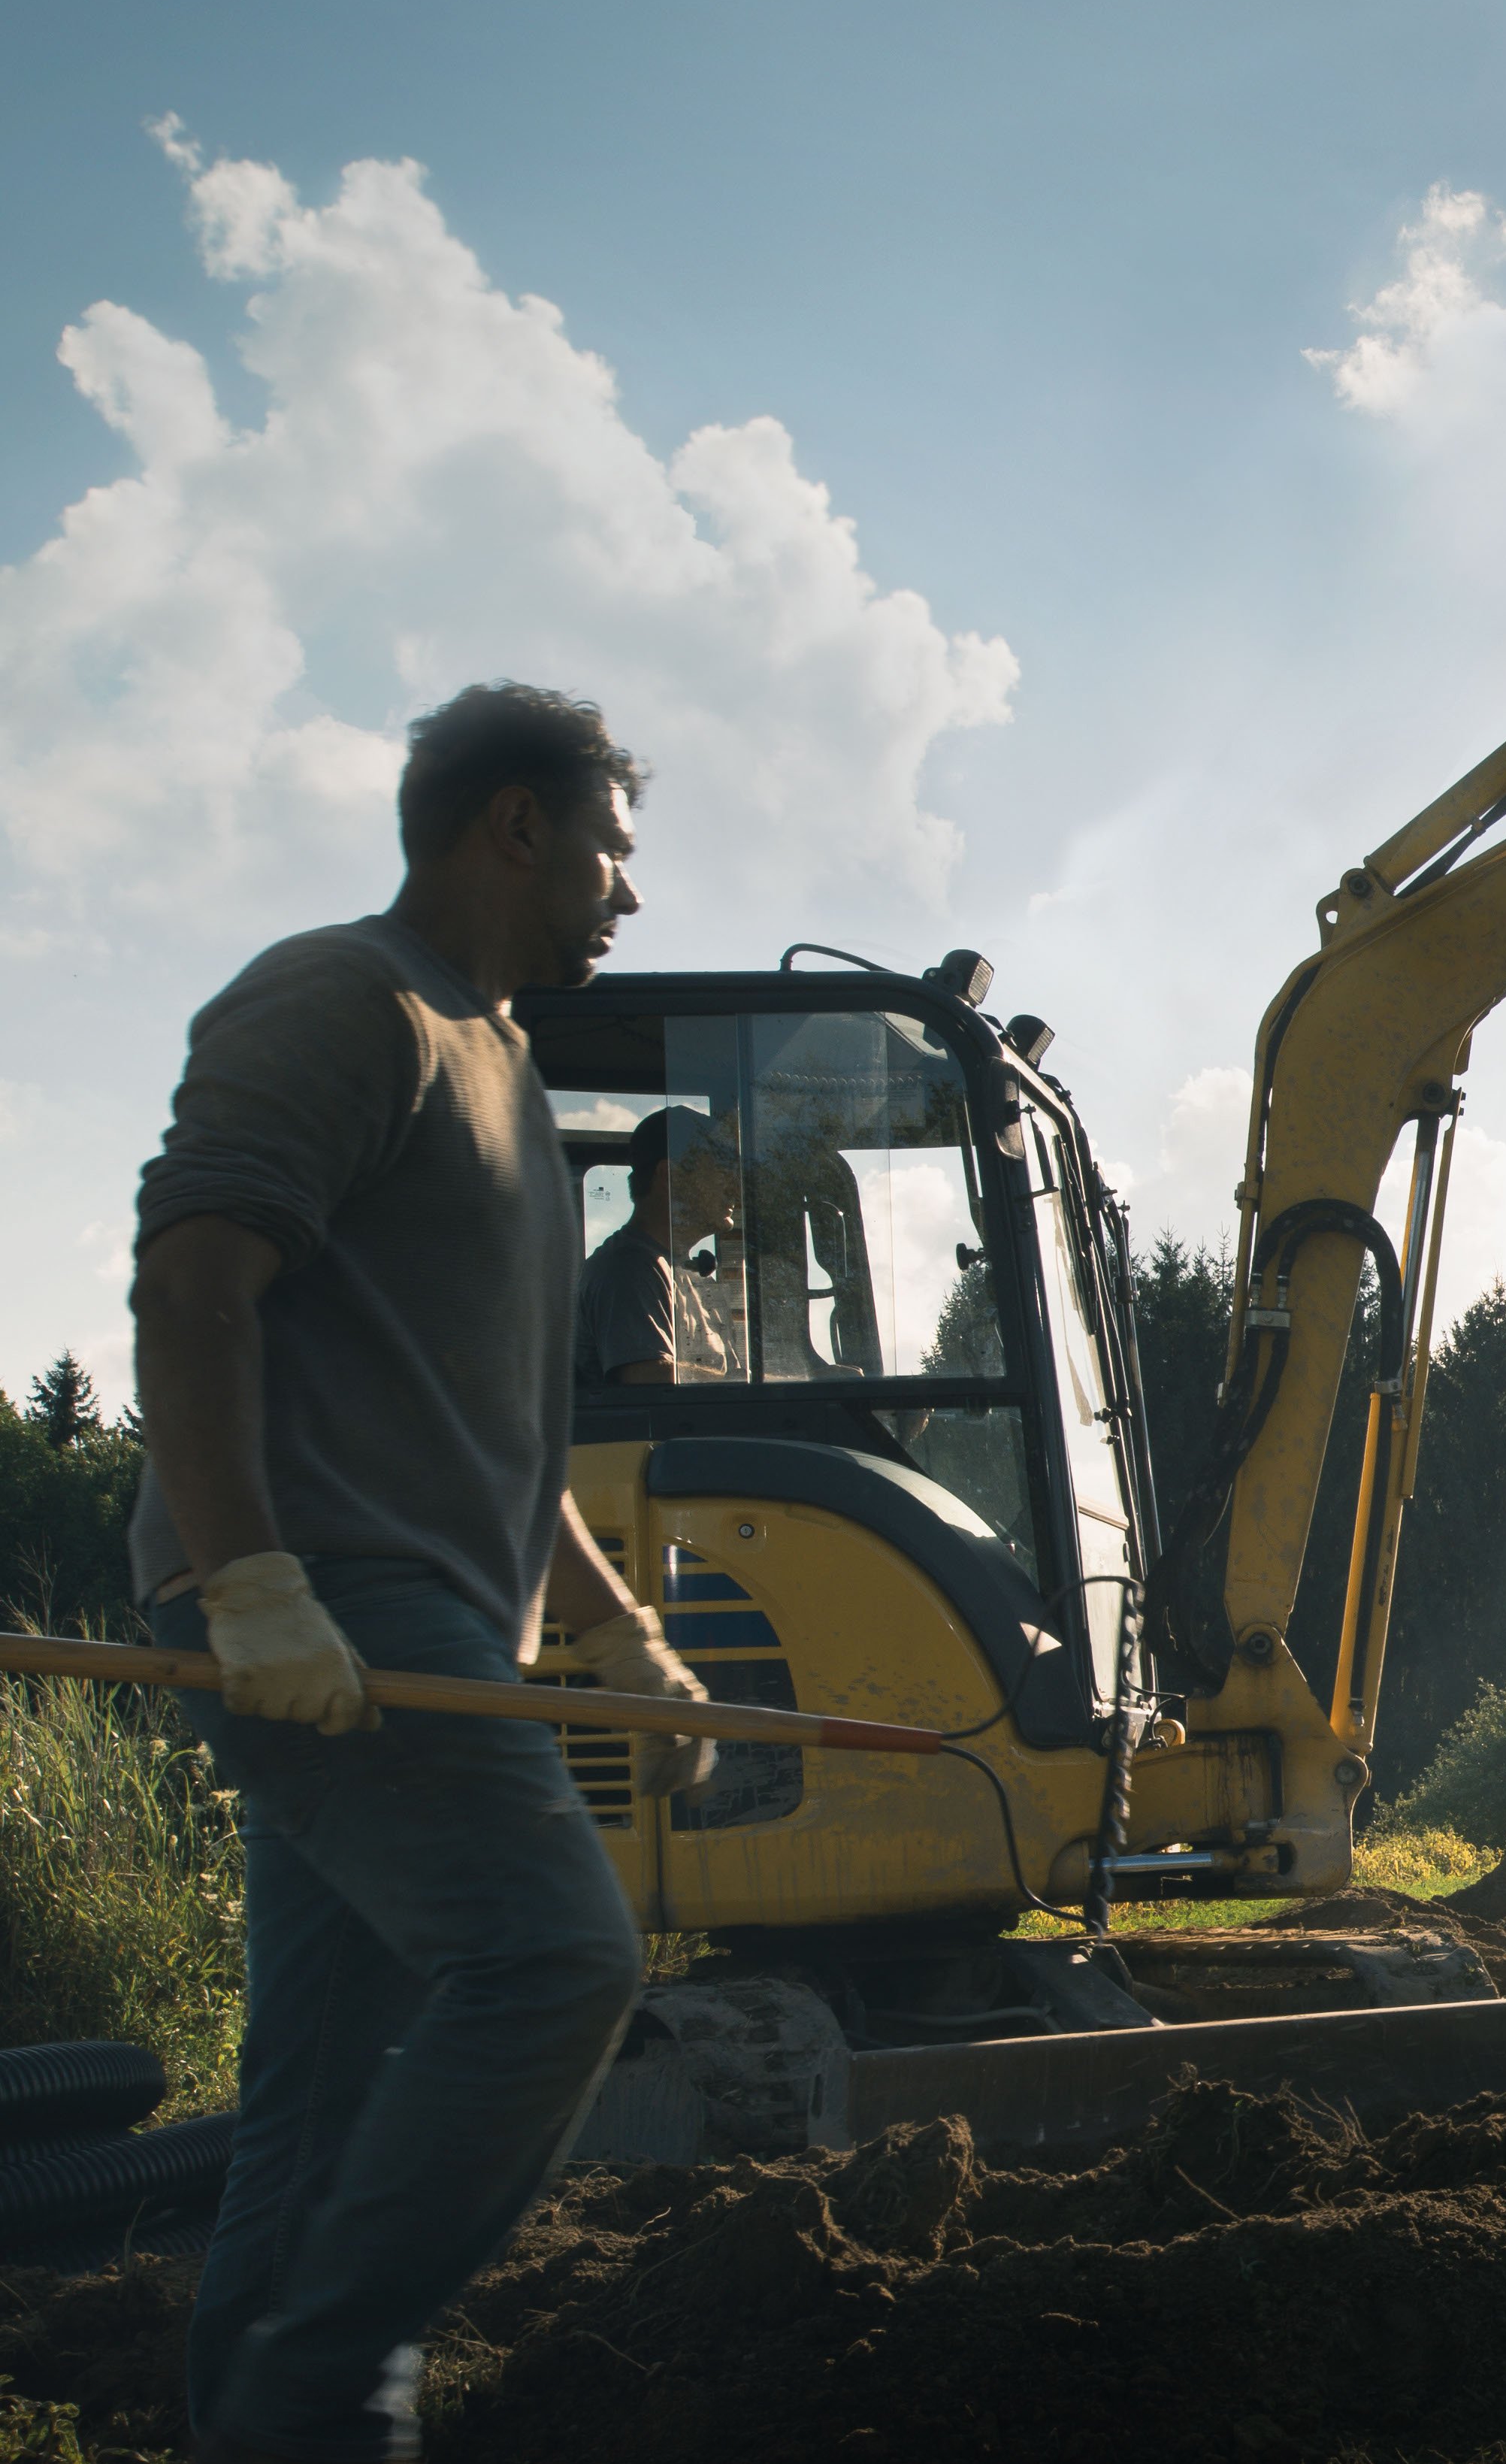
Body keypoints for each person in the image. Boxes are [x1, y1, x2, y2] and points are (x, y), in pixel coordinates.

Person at [129, 682, 720, 2464]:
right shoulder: (345, 1001)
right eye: (612, 852)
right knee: (556, 1958)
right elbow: (192, 1280)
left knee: (312, 2119)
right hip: (328, 1606)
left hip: (421, 1625)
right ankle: (329, 2392)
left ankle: (258, 2424)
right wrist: (249, 1582)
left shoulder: (509, 1068)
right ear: (514, 826)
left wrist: (624, 1643)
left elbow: (505, 1437)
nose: (626, 894)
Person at [574, 1104, 743, 1385]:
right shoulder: (628, 1270)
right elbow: (646, 1378)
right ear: (669, 1175)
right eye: (722, 1172)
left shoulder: (689, 1275)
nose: (735, 1188)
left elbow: (735, 1379)